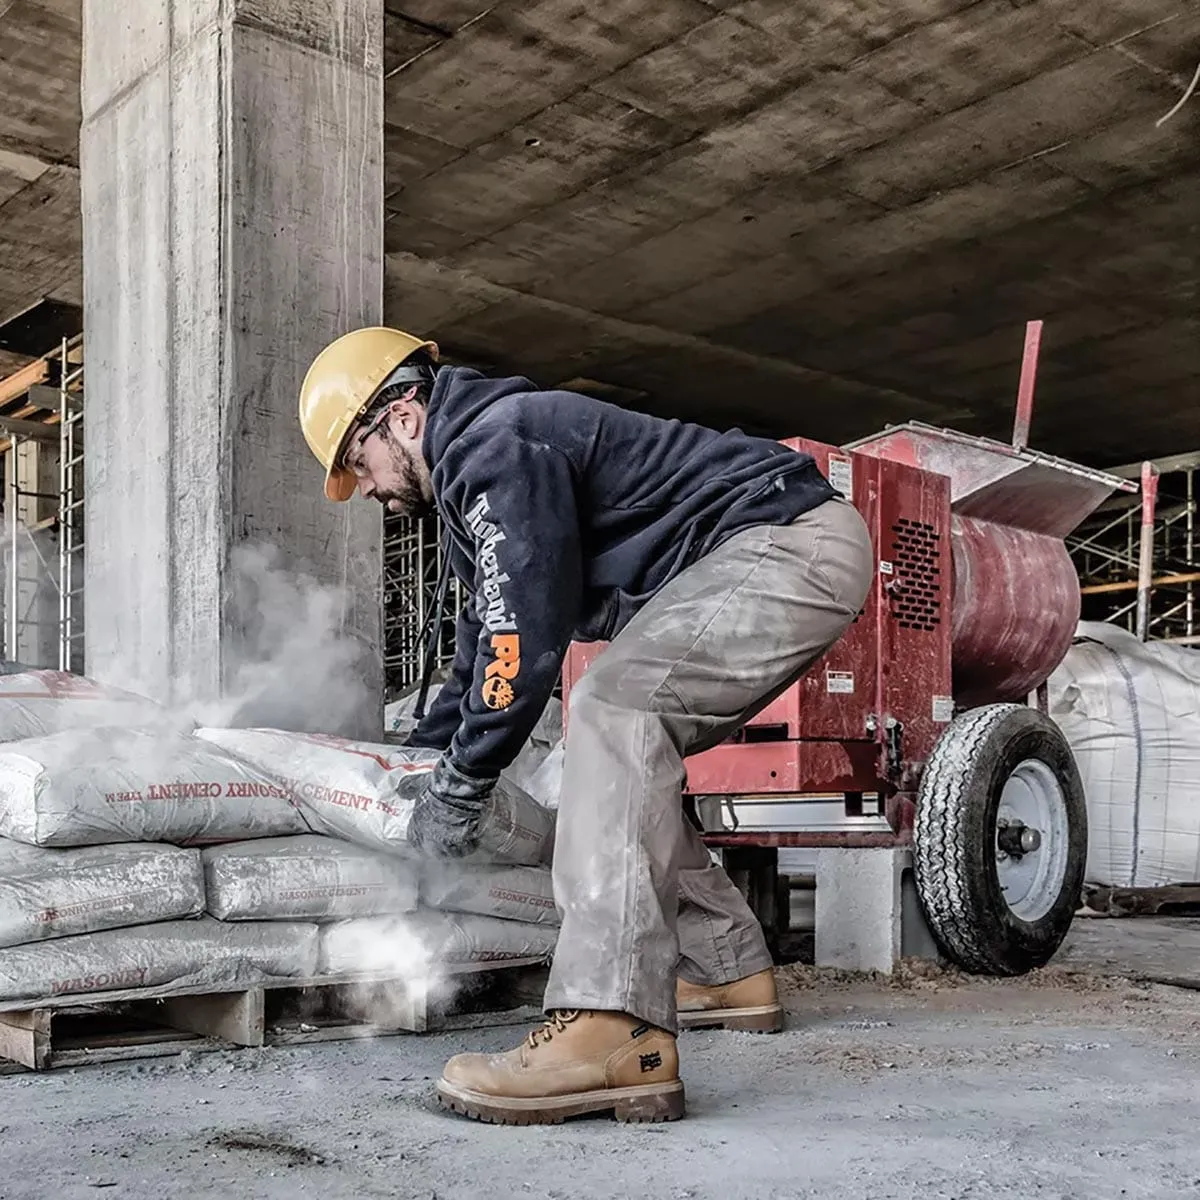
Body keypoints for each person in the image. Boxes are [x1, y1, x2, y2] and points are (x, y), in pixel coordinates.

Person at [299, 327, 874, 1125]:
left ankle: (610, 1026)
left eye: (357, 463)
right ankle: (723, 971)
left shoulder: (495, 445)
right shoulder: (486, 465)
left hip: (786, 541)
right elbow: (481, 648)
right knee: (622, 745)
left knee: (615, 708)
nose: (364, 488)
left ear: (401, 415)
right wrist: (419, 762)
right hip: (768, 545)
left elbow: (520, 642)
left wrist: (465, 781)